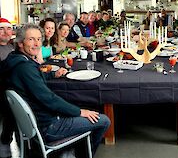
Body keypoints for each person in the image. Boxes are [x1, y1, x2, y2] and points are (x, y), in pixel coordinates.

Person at [3, 24, 110, 157]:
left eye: (38, 39)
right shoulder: (25, 68)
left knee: (80, 106)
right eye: (31, 39)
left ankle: (71, 149)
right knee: (103, 120)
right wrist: (79, 112)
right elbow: (49, 99)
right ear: (20, 43)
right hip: (49, 126)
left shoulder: (15, 59)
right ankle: (80, 155)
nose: (37, 44)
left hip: (39, 120)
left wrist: (52, 74)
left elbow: (34, 79)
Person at [0, 18, 14, 158]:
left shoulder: (11, 47)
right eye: (1, 29)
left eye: (8, 28)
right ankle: (5, 140)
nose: (5, 32)